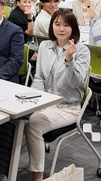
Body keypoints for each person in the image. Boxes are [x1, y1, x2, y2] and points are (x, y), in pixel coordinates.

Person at [24, 10, 90, 181]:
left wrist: (69, 60)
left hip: (68, 107)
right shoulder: (45, 46)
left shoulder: (81, 51)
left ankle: (37, 177)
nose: (61, 29)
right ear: (51, 26)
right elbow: (39, 78)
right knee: (18, 119)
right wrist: (35, 104)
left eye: (66, 25)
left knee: (33, 125)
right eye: (57, 24)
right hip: (46, 102)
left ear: (73, 28)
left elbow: (78, 83)